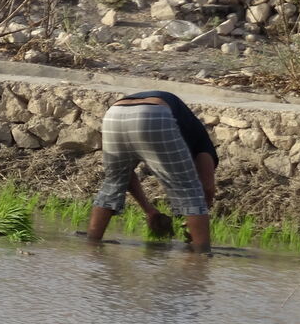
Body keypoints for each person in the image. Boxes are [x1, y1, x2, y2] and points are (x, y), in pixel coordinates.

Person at [86, 91, 218, 253]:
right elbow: (207, 187)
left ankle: (91, 247)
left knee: (113, 182)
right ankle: (201, 256)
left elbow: (126, 176)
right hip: (153, 114)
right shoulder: (204, 146)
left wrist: (149, 210)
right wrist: (193, 225)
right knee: (191, 190)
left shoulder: (186, 127)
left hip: (115, 113)